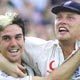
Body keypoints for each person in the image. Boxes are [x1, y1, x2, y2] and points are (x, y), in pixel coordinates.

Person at [0, 0, 80, 80]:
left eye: (70, 18)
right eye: (59, 17)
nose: (62, 22)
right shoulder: (39, 49)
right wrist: (7, 65)